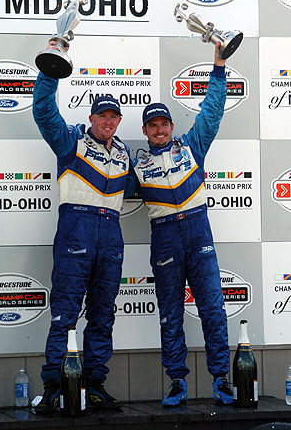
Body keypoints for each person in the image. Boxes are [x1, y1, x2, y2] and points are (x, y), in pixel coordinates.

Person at [32, 42, 132, 413]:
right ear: (91, 118)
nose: (107, 122)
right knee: (65, 311)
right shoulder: (71, 140)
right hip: (76, 227)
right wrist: (50, 69)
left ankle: (95, 383)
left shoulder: (123, 153)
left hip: (111, 232)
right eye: (101, 116)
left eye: (113, 117)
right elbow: (43, 112)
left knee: (104, 313)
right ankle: (55, 385)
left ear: (119, 121)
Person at [132, 42, 234, 406]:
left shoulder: (192, 145)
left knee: (212, 308)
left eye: (164, 124)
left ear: (172, 126)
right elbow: (103, 182)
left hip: (198, 230)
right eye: (153, 126)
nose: (159, 130)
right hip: (164, 239)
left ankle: (221, 379)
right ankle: (177, 381)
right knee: (170, 313)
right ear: (145, 130)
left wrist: (219, 67)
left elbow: (212, 110)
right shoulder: (137, 166)